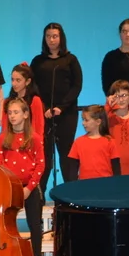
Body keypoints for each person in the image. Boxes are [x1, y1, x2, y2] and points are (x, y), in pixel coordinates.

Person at [0, 99, 46, 256]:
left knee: (34, 223)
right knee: (6, 223)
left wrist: (29, 188)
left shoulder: (35, 138)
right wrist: (9, 186)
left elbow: (40, 165)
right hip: (9, 186)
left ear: (25, 114)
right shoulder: (3, 138)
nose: (12, 116)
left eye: (16, 112)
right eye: (9, 113)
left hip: (29, 187)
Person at [31, 22, 83, 186]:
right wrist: (45, 108)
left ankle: (70, 193)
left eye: (55, 36)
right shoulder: (38, 61)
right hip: (44, 115)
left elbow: (77, 86)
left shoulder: (70, 60)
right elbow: (33, 86)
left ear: (61, 38)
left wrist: (61, 107)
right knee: (45, 156)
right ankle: (39, 195)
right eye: (48, 36)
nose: (51, 40)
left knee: (66, 155)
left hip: (67, 114)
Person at [68, 105, 121, 181]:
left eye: (86, 120)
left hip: (106, 184)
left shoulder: (110, 141)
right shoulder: (78, 142)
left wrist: (117, 184)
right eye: (83, 119)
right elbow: (73, 168)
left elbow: (116, 167)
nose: (83, 123)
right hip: (85, 184)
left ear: (98, 122)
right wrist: (74, 185)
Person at [0, 63, 44, 139]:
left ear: (28, 81)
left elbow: (39, 127)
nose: (14, 83)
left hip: (29, 141)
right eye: (12, 79)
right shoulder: (7, 101)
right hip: (11, 141)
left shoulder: (35, 100)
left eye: (18, 80)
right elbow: (4, 127)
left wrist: (37, 143)